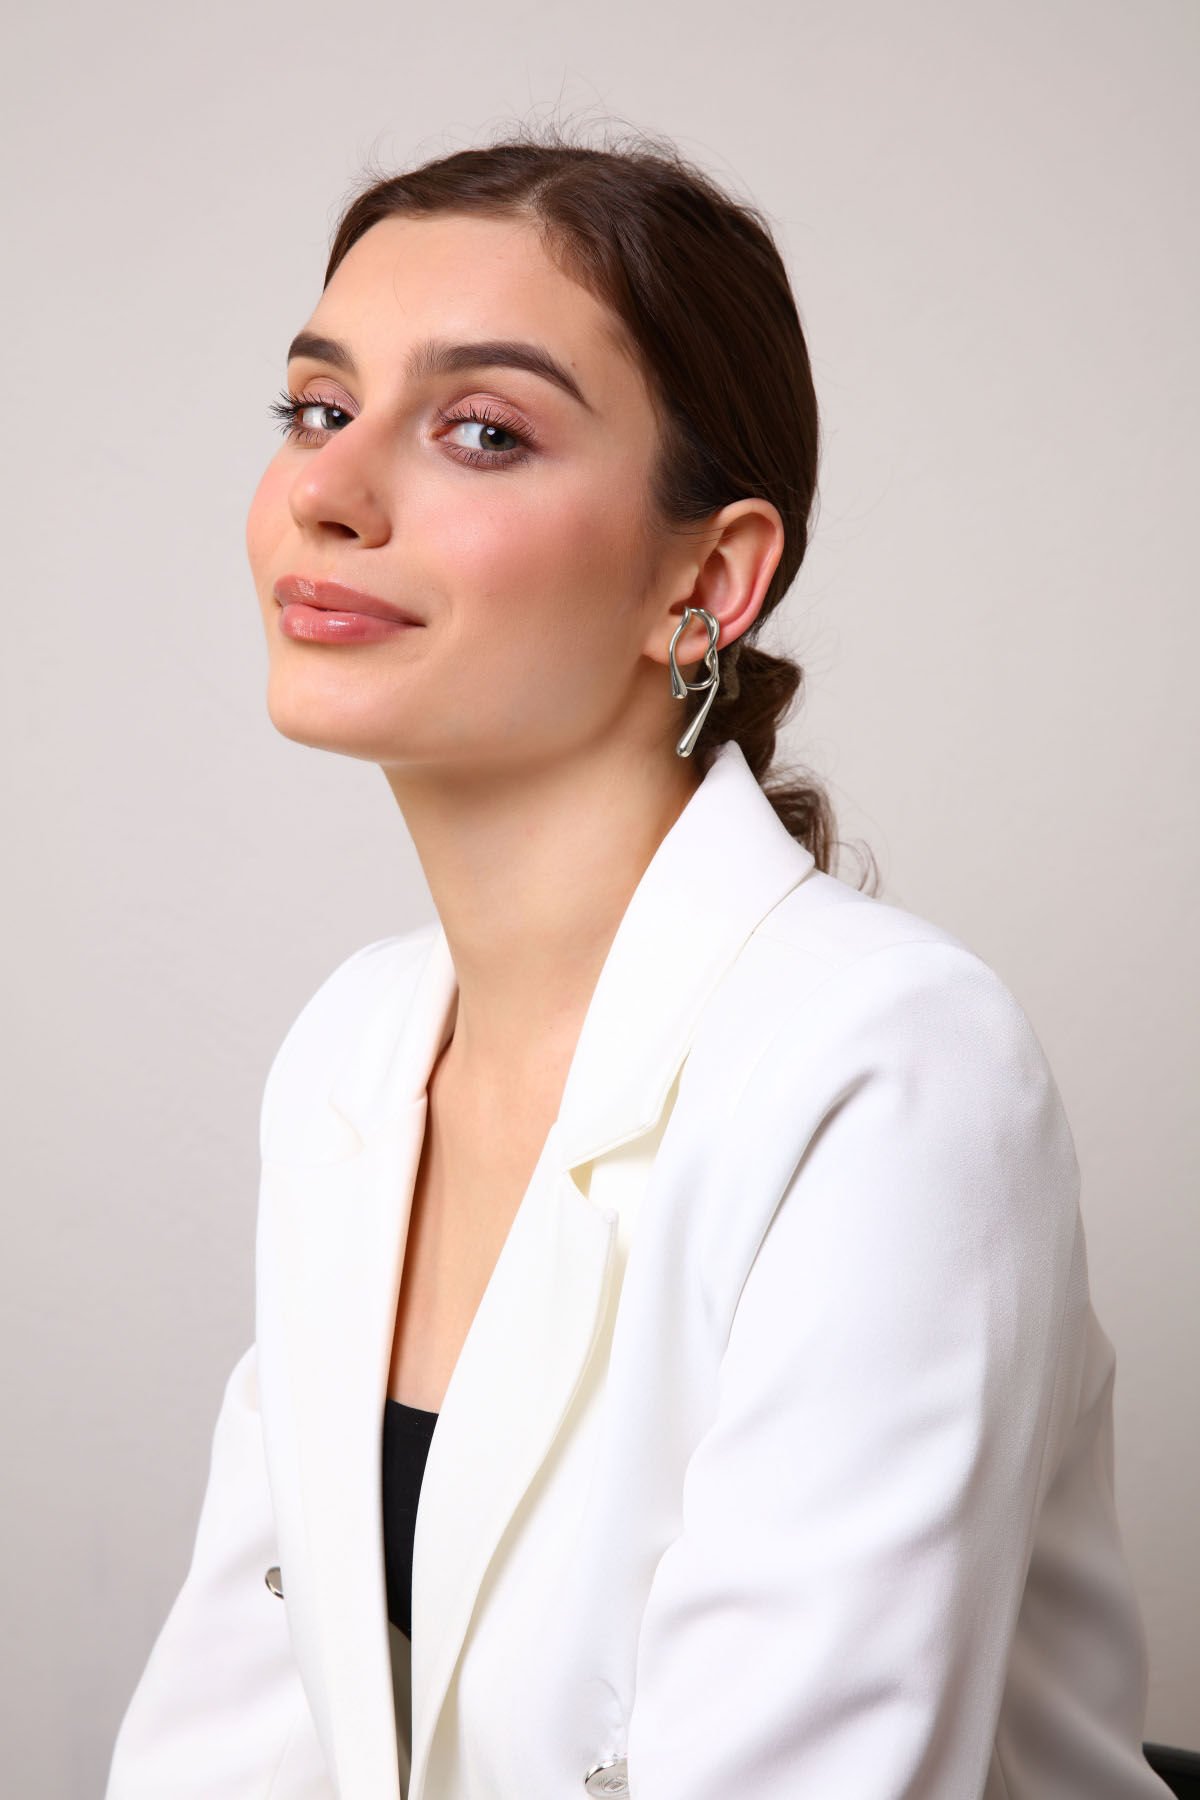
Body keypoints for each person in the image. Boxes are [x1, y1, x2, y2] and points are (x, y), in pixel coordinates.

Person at [105, 127, 1171, 1800]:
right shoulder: (353, 1052)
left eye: (481, 430)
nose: (328, 490)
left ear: (709, 579)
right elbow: (234, 1736)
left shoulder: (892, 1072)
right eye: (316, 408)